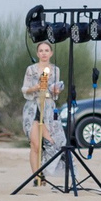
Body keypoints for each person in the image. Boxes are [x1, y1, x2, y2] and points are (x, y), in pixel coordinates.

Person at [21, 42, 61, 173]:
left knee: (50, 142)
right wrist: (36, 87)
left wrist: (56, 91)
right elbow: (25, 89)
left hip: (48, 108)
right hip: (33, 108)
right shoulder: (31, 70)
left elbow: (55, 92)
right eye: (41, 50)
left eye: (46, 50)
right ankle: (36, 176)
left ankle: (46, 171)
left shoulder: (55, 70)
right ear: (37, 53)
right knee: (35, 145)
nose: (44, 53)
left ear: (51, 53)